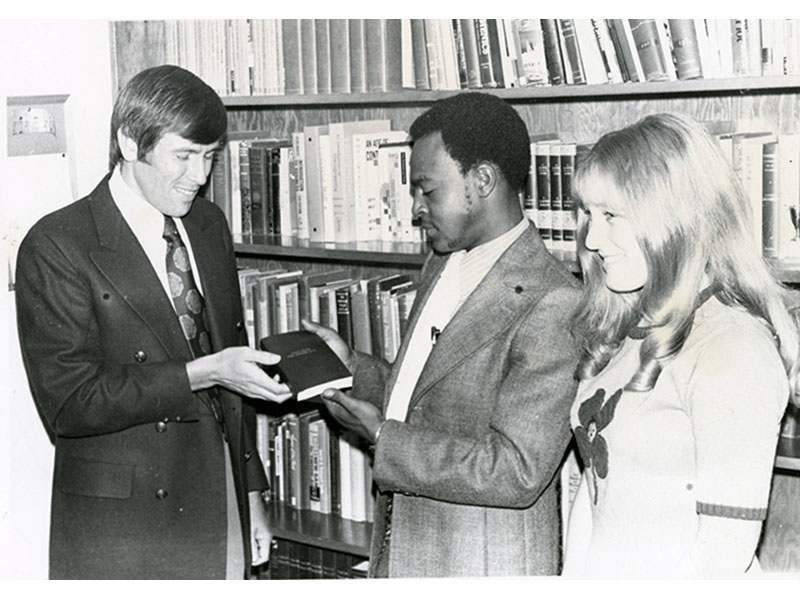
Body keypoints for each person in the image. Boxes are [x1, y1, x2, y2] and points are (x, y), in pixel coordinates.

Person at [15, 65, 293, 579]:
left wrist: (250, 493)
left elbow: (234, 377)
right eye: (183, 155)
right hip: (120, 528)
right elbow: (70, 403)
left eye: (209, 156)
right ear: (128, 141)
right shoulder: (57, 244)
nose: (200, 176)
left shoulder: (208, 225)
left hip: (216, 500)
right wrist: (202, 373)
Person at [303, 92, 582, 577]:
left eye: (427, 191)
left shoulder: (555, 301)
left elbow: (517, 469)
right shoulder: (442, 261)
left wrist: (384, 440)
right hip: (411, 551)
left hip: (480, 565)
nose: (415, 209)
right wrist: (351, 369)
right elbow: (429, 397)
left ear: (483, 181)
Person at [562, 112, 799, 577]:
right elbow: (596, 495)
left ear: (676, 217)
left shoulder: (731, 349)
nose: (592, 238)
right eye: (588, 214)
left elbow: (721, 557)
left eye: (611, 215)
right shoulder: (639, 324)